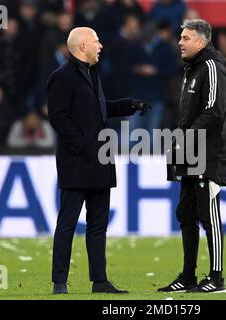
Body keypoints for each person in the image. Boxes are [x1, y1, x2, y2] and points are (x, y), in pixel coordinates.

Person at [47, 27, 150, 294]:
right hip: (77, 162)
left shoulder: (92, 74)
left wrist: (128, 105)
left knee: (98, 225)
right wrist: (82, 146)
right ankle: (60, 282)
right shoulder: (61, 77)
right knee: (67, 223)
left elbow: (99, 109)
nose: (101, 45)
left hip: (101, 160)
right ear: (82, 46)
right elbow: (58, 118)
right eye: (96, 41)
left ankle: (99, 280)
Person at [160, 19, 226, 293]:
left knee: (208, 214)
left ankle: (217, 278)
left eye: (186, 38)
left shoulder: (212, 68)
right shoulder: (192, 70)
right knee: (185, 213)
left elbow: (214, 111)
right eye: (180, 37)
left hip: (209, 154)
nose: (180, 42)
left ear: (201, 42)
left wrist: (186, 135)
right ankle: (188, 276)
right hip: (190, 152)